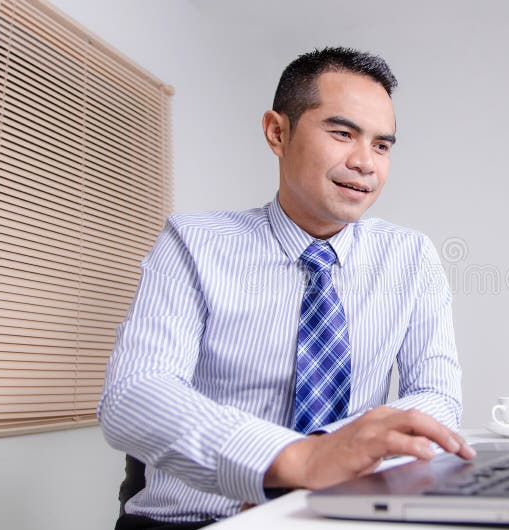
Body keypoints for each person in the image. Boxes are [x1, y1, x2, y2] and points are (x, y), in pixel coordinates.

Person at [99, 47, 474, 530]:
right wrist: (287, 461)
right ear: (278, 132)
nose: (365, 163)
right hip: (204, 518)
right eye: (342, 133)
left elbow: (438, 395)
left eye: (382, 145)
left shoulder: (411, 256)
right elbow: (133, 395)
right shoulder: (192, 242)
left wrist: (330, 452)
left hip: (346, 512)